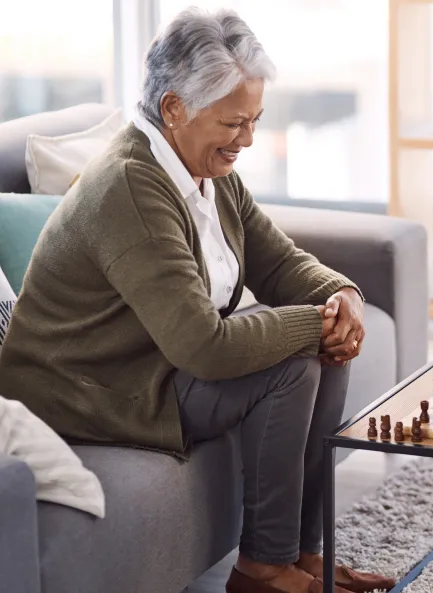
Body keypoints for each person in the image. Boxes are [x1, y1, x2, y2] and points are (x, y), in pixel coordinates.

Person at [0, 8, 395, 593]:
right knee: (294, 363)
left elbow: (276, 259)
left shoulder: (205, 169)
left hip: (153, 360)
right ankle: (261, 570)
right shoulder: (132, 187)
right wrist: (314, 325)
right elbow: (203, 348)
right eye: (235, 123)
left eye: (255, 120)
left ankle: (301, 555)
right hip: (95, 387)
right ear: (174, 108)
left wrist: (339, 296)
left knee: (327, 349)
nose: (249, 139)